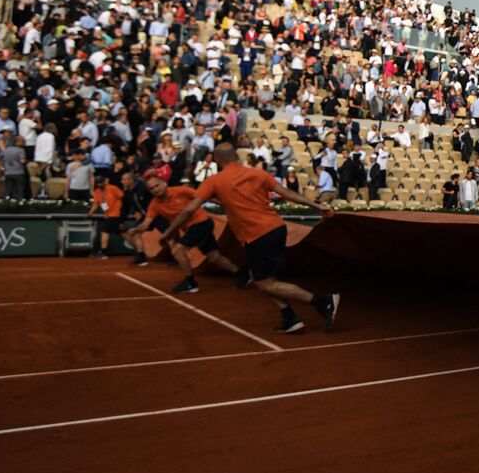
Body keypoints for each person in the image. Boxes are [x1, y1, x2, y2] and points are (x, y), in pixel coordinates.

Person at [159, 143, 338, 334]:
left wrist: (169, 231)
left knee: (265, 283)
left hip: (258, 233)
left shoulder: (214, 181)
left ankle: (322, 301)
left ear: (218, 160)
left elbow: (188, 209)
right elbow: (287, 194)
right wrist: (317, 206)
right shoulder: (258, 173)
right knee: (259, 276)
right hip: (274, 228)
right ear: (236, 156)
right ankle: (289, 316)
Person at [139, 175, 241, 293]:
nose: (156, 189)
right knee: (214, 256)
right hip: (192, 228)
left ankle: (190, 282)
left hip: (201, 223)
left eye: (157, 185)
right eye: (152, 188)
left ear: (164, 184)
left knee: (178, 251)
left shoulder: (181, 190)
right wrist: (136, 230)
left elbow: (206, 197)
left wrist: (229, 205)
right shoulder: (154, 204)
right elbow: (146, 224)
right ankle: (241, 273)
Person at [87, 173, 127, 258]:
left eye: (101, 182)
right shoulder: (97, 192)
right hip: (108, 214)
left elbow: (123, 197)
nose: (99, 184)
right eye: (98, 183)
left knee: (105, 231)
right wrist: (90, 213)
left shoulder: (113, 188)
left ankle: (104, 252)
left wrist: (123, 211)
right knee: (123, 233)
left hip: (115, 214)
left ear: (104, 181)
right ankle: (139, 250)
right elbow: (96, 204)